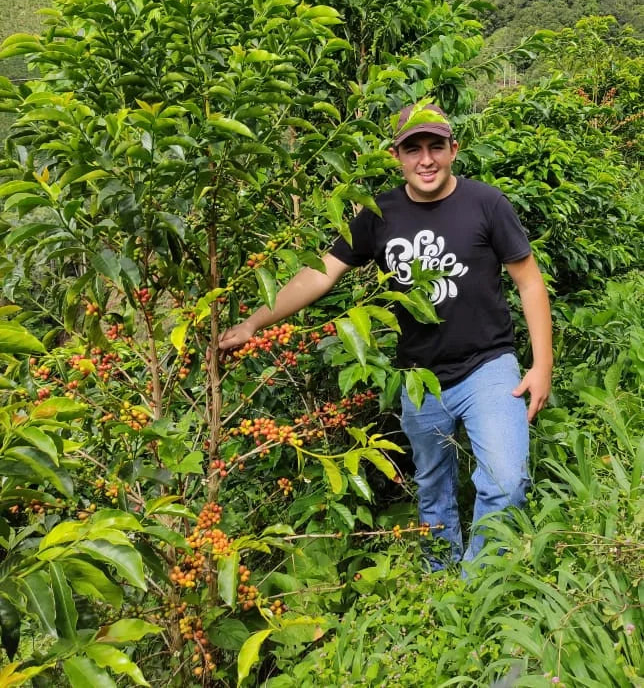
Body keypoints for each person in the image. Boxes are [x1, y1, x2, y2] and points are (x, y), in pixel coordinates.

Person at [219, 102, 553, 570]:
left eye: (436, 147)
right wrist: (254, 321)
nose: (426, 159)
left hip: (488, 366)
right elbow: (320, 274)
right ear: (396, 156)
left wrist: (542, 366)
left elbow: (529, 282)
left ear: (454, 150)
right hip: (418, 378)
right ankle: (439, 578)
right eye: (413, 149)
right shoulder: (380, 213)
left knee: (506, 481)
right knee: (433, 489)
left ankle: (476, 585)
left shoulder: (487, 204)